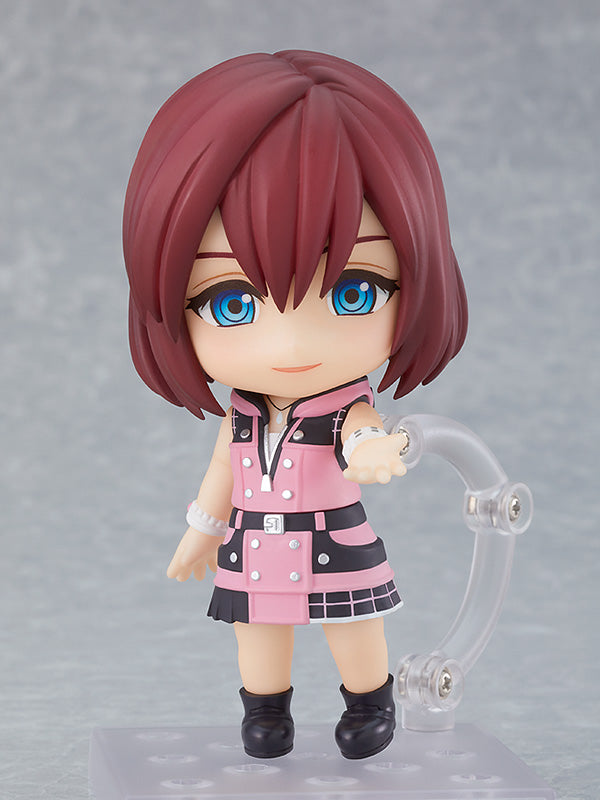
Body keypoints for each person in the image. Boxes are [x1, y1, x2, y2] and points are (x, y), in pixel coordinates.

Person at [123, 50, 467, 760]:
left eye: (355, 292)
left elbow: (363, 433)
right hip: (252, 538)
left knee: (353, 623)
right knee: (257, 629)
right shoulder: (242, 414)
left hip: (334, 535)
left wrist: (375, 449)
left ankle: (369, 702)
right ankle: (265, 712)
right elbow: (223, 470)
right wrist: (201, 530)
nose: (289, 344)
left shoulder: (343, 405)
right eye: (230, 301)